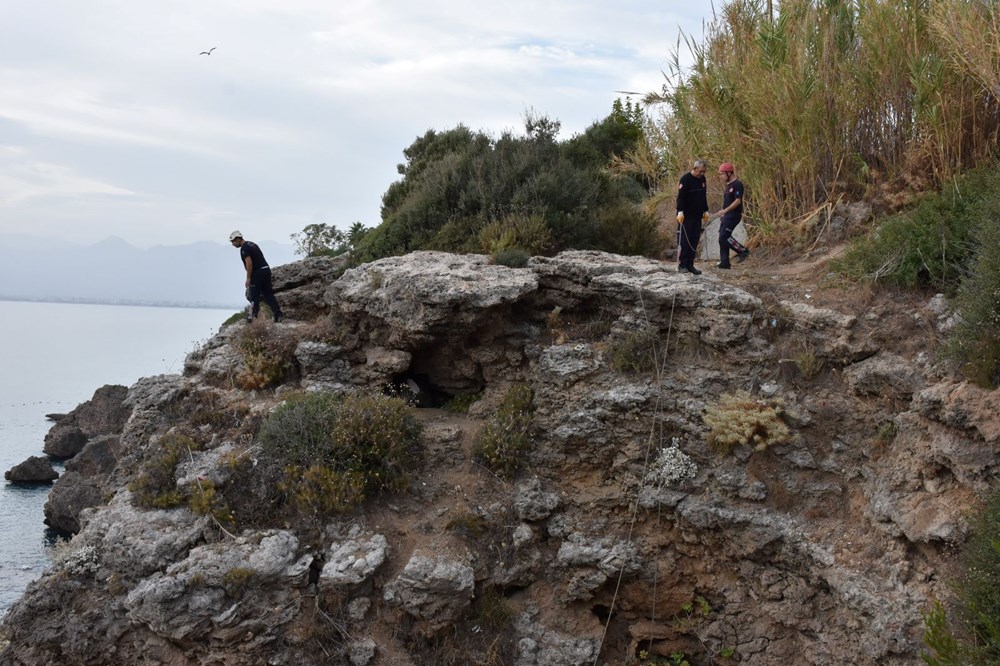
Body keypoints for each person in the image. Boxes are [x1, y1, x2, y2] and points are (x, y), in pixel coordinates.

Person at [229, 230, 283, 323]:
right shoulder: (252, 244)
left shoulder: (244, 248)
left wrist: (248, 278)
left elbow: (249, 263)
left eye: (233, 241)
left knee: (254, 296)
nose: (232, 244)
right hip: (266, 270)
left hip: (257, 273)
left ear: (237, 239)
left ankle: (252, 317)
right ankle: (278, 314)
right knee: (268, 294)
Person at [711, 162, 750, 269]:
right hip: (727, 215)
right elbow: (728, 201)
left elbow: (738, 201)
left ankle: (742, 251)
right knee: (721, 238)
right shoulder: (728, 186)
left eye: (722, 174)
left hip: (734, 215)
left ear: (729, 173)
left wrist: (725, 211)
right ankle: (725, 262)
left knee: (724, 236)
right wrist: (723, 213)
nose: (721, 177)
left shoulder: (737, 184)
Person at [676, 160, 710, 275]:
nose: (702, 174)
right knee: (685, 241)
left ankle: (690, 264)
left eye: (704, 172)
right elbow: (681, 197)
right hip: (686, 216)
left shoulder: (702, 179)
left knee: (694, 241)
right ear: (694, 169)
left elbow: (703, 195)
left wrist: (705, 210)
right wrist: (680, 211)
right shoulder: (685, 179)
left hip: (697, 215)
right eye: (701, 171)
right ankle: (682, 265)